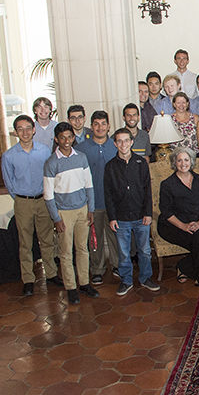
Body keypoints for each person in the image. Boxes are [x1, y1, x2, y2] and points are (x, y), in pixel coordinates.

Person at [2, 115, 62, 296]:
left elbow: (52, 175)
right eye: (20, 129)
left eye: (28, 128)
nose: (25, 132)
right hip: (23, 202)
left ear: (34, 129)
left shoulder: (44, 151)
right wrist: (21, 198)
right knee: (25, 242)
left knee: (47, 239)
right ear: (15, 132)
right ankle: (28, 279)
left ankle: (51, 274)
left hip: (43, 201)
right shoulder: (9, 155)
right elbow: (9, 182)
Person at [44, 122, 99, 304]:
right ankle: (71, 287)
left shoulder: (81, 157)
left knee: (83, 249)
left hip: (82, 210)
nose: (66, 141)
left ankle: (84, 283)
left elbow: (88, 185)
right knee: (66, 253)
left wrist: (90, 208)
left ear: (74, 138)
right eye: (62, 137)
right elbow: (48, 195)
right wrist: (56, 218)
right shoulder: (51, 163)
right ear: (56, 139)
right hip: (63, 213)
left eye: (69, 136)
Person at [104, 128, 158, 295]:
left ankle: (146, 277)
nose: (123, 144)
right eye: (119, 141)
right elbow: (108, 194)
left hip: (141, 216)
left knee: (145, 251)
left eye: (126, 140)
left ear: (131, 142)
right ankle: (126, 280)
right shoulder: (110, 167)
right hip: (121, 218)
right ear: (115, 144)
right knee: (124, 253)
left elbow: (147, 190)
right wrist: (112, 217)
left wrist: (148, 213)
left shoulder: (141, 163)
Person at [158, 147, 199, 287]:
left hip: (197, 220)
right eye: (179, 160)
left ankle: (183, 266)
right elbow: (166, 212)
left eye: (186, 160)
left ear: (191, 161)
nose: (183, 163)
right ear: (174, 163)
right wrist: (184, 226)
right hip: (173, 225)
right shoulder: (167, 184)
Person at [76, 111, 119, 284]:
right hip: (92, 202)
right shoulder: (81, 149)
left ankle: (117, 265)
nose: (100, 127)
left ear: (109, 126)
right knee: (95, 238)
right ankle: (97, 269)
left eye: (103, 124)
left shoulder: (116, 146)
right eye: (96, 124)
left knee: (115, 236)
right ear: (91, 126)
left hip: (114, 202)